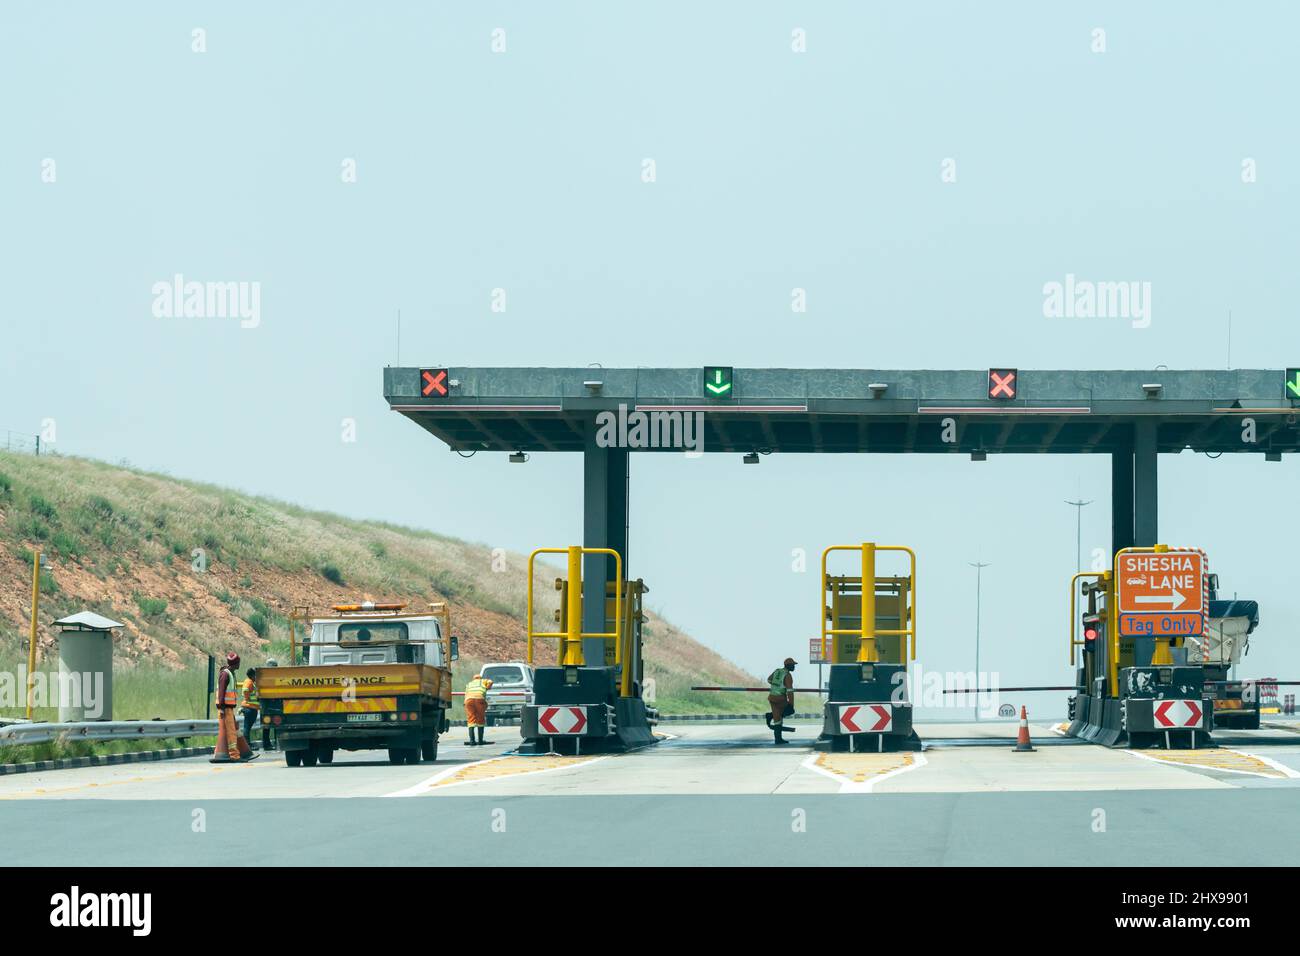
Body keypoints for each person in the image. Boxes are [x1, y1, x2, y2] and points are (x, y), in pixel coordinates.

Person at [212, 652, 256, 763]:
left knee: (236, 730)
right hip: (225, 708)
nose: (239, 664)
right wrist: (221, 708)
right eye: (238, 662)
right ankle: (234, 755)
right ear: (235, 663)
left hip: (229, 708)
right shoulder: (225, 674)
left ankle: (245, 752)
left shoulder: (230, 673)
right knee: (231, 733)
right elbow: (221, 692)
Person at [766, 657, 798, 745]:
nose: (794, 667)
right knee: (786, 712)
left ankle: (778, 739)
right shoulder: (787, 675)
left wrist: (777, 683)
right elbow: (790, 692)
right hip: (780, 699)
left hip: (772, 698)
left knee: (777, 719)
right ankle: (770, 715)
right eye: (793, 665)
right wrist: (791, 704)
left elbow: (769, 679)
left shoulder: (777, 671)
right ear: (789, 666)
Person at [463, 672, 494, 746]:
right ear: (480, 678)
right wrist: (487, 687)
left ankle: (472, 741)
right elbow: (490, 681)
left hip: (468, 700)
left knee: (471, 720)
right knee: (480, 719)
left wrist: (465, 704)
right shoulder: (483, 681)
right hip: (479, 699)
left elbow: (466, 694)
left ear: (473, 679)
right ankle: (480, 740)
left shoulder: (469, 684)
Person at [240, 667, 260, 748]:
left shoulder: (251, 682)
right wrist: (247, 697)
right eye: (255, 675)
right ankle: (247, 745)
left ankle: (248, 744)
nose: (256, 677)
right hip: (249, 708)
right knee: (247, 727)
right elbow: (245, 690)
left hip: (251, 708)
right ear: (252, 675)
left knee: (247, 727)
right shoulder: (249, 682)